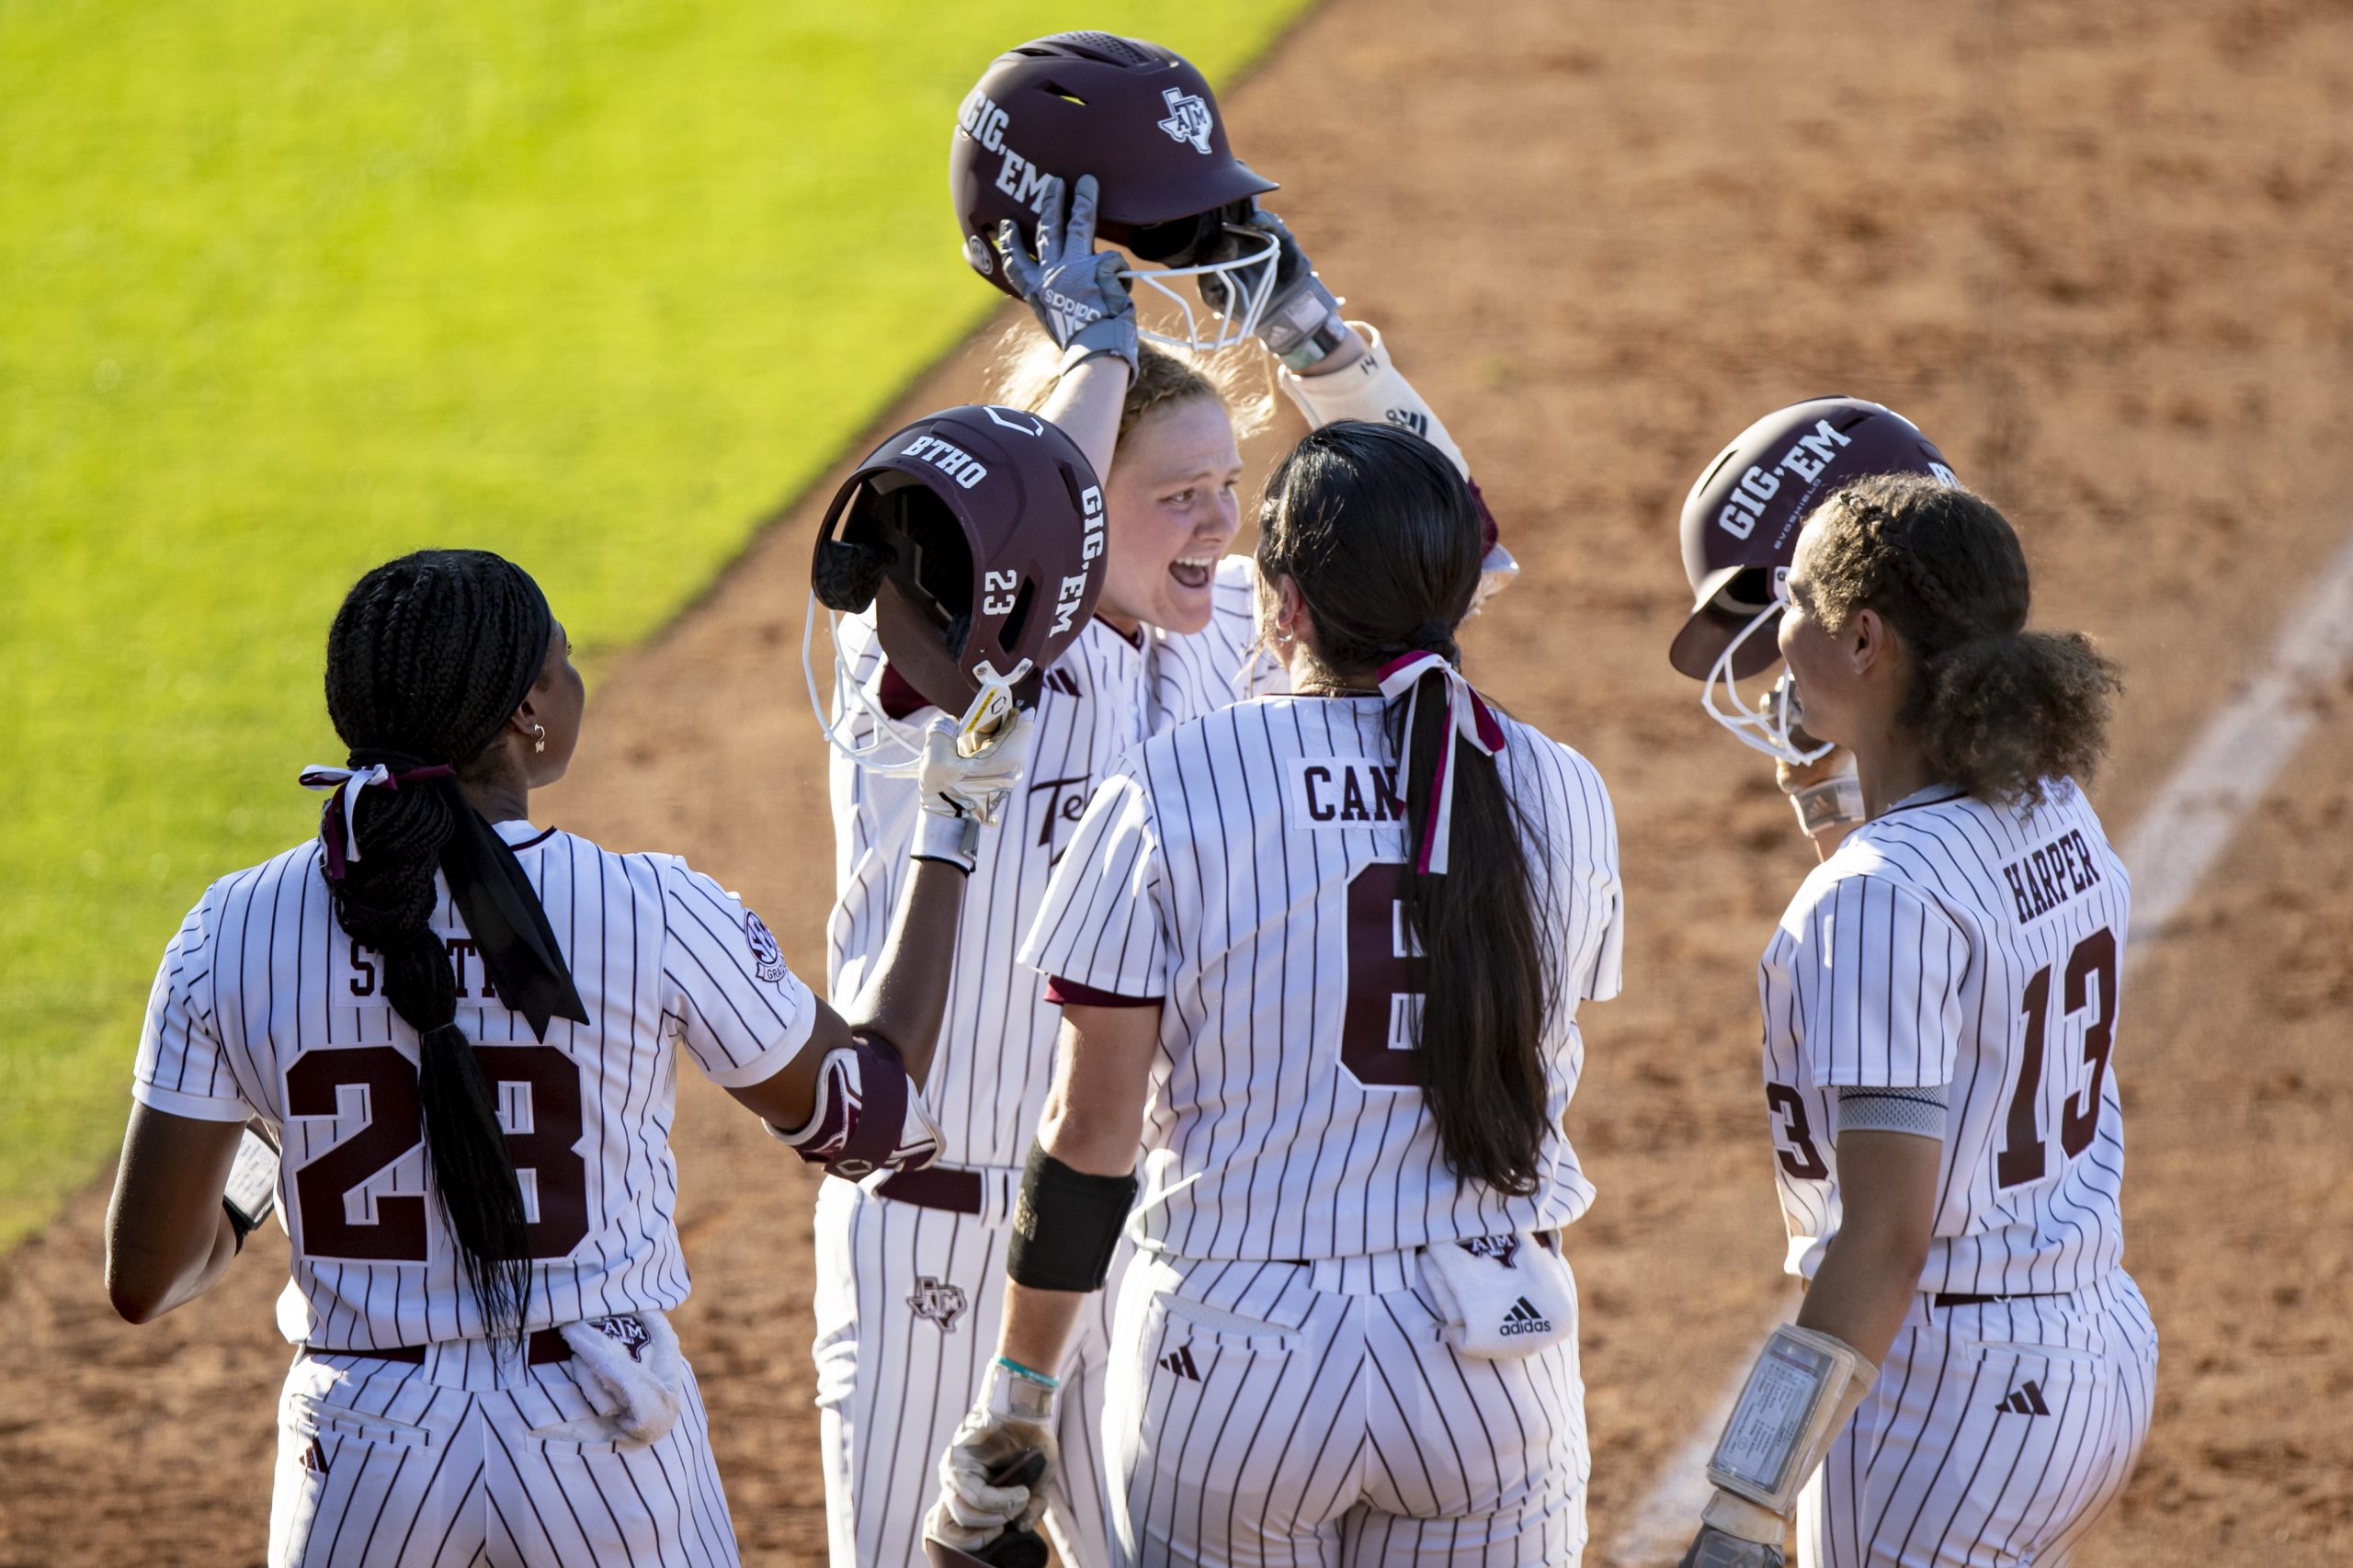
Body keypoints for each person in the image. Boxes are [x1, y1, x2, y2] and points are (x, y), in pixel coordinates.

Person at [813, 35, 1515, 1563]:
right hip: (936, 1227)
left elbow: (1447, 548)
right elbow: (1022, 571)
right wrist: (1097, 351)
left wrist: (1310, 329)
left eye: (1227, 488)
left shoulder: (1230, 657)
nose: (1224, 527)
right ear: (1079, 503)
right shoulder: (932, 617)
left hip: (1137, 1224)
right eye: (1175, 499)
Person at [104, 546, 1021, 1566]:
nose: (578, 677)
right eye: (566, 659)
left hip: (364, 1451)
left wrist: (283, 1143)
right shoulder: (648, 909)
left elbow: (145, 1276)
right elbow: (871, 1123)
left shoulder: (230, 931)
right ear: (527, 711)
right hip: (604, 1441)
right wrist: (953, 826)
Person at [923, 421, 1624, 1567]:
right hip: (1491, 1350)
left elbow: (1089, 1133)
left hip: (1236, 1360)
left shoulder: (1169, 785)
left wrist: (1020, 1393)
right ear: (1456, 596)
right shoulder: (1562, 787)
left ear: (1283, 604)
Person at [1673, 473, 2156, 1568]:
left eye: (1790, 600)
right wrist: (1840, 812)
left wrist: (1747, 1500)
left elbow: (1886, 1238)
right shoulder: (2050, 801)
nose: (1774, 629)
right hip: (2089, 1354)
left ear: (1861, 640)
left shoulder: (1881, 893)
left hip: (1944, 1401)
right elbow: (1939, 953)